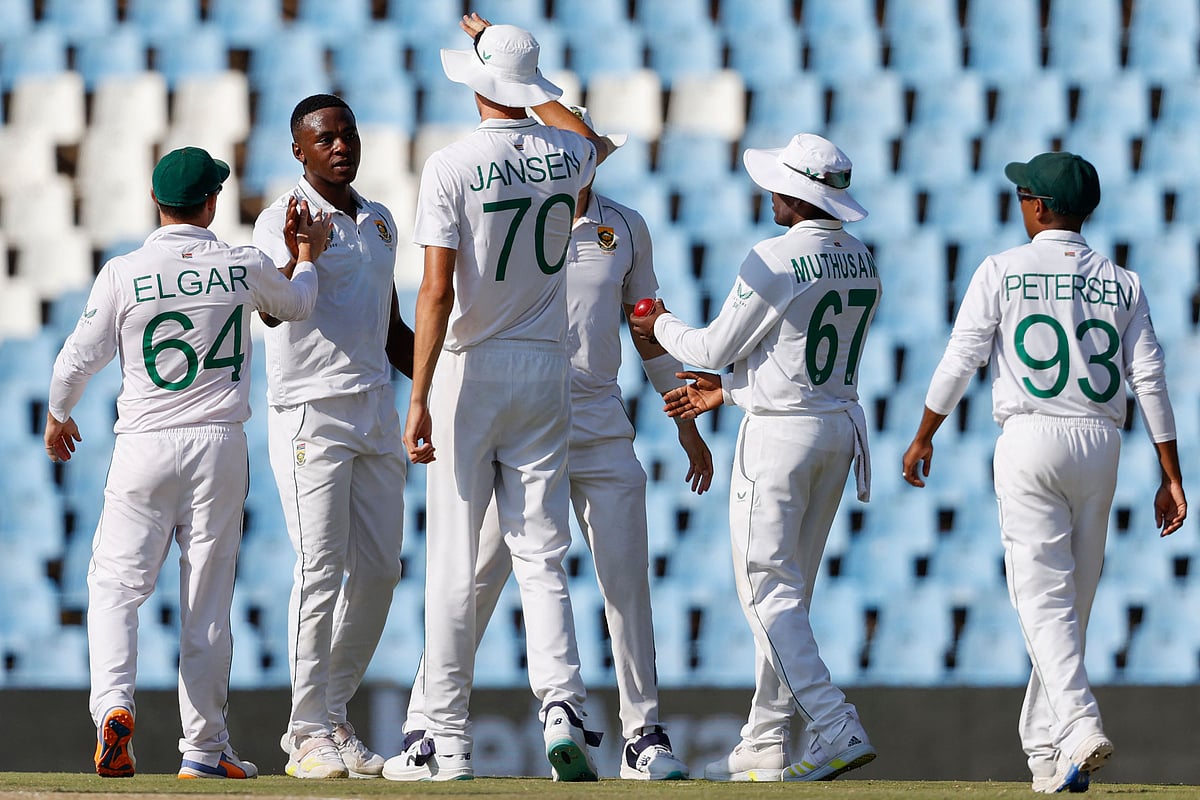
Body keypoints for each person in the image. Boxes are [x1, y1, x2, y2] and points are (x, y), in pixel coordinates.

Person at [399, 105, 713, 780]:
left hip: (598, 420)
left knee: (626, 582)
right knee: (475, 578)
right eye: (584, 145)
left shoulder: (624, 226)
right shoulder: (506, 206)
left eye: (597, 148)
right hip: (523, 417)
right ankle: (427, 722)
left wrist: (685, 424)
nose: (590, 157)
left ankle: (643, 735)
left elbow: (646, 328)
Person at [900, 151, 1187, 794]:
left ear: (1037, 206)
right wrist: (1170, 474)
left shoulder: (1002, 268)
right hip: (1102, 441)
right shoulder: (1125, 281)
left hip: (1031, 436)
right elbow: (1150, 379)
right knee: (1072, 604)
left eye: (1022, 194)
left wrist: (924, 435)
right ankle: (1048, 751)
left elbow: (962, 356)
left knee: (1041, 600)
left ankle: (1079, 724)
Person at [44, 147, 327, 779]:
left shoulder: (124, 272)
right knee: (206, 599)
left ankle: (114, 708)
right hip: (218, 447)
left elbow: (76, 357)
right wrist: (306, 257)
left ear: (157, 202)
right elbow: (297, 305)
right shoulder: (242, 264)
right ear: (211, 202)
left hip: (143, 445)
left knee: (115, 587)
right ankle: (202, 751)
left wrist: (60, 414)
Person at [387, 14, 618, 782]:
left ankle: (444, 740)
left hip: (471, 365)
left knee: (455, 556)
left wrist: (416, 396)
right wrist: (532, 80)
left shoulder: (451, 163)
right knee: (541, 551)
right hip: (546, 366)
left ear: (477, 84)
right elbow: (584, 132)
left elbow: (435, 289)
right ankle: (563, 707)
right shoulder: (568, 154)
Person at [629, 133, 880, 783]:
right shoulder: (862, 258)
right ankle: (765, 739)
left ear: (794, 195)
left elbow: (712, 344)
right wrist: (732, 389)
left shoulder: (774, 257)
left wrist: (658, 323)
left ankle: (835, 725)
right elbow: (796, 359)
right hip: (836, 430)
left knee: (767, 595)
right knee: (789, 595)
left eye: (775, 186)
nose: (767, 193)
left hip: (779, 440)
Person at [253, 94, 415, 780]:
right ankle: (305, 732)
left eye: (347, 134)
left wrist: (439, 391)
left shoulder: (378, 221)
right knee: (320, 569)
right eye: (324, 138)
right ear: (300, 150)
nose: (340, 145)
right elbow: (270, 311)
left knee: (380, 570)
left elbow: (392, 326)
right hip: (310, 413)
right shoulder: (278, 219)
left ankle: (334, 714)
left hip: (376, 407)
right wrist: (299, 255)